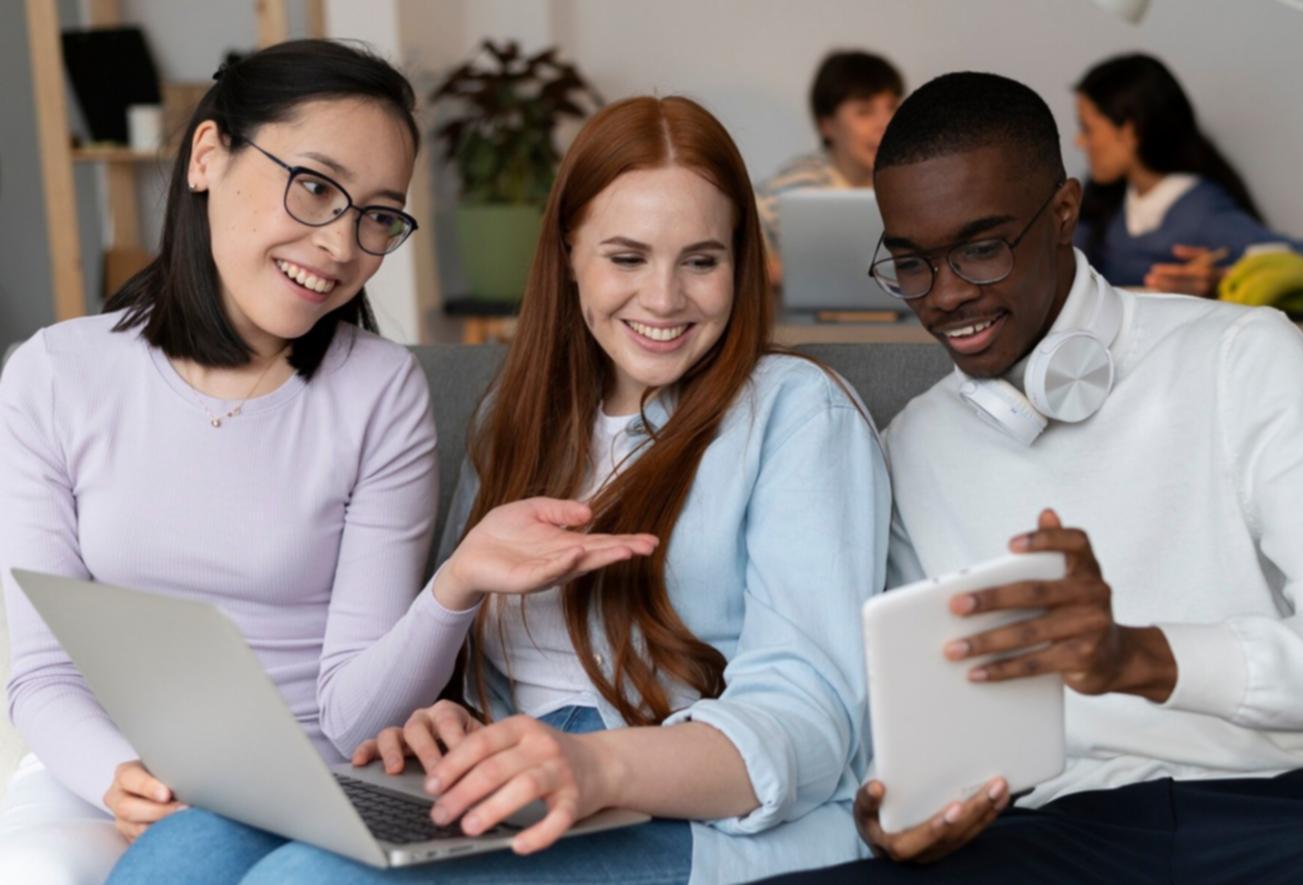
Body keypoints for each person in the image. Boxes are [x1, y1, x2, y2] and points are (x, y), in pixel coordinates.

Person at [108, 95, 890, 885]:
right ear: (567, 253)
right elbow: (478, 672)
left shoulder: (795, 411)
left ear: (739, 262)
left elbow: (811, 718)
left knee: (305, 881)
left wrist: (595, 765)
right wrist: (446, 720)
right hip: (514, 776)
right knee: (178, 855)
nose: (663, 298)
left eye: (701, 260)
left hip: (694, 816)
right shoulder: (518, 415)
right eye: (625, 257)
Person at [771, 71, 1303, 882]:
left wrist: (1140, 657)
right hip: (1044, 835)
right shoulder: (913, 442)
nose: (947, 295)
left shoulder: (1241, 354)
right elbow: (916, 732)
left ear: (1064, 213)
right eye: (912, 262)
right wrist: (896, 808)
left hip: (1292, 807)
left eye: (982, 248)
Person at [0, 40, 654, 885]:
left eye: (377, 215)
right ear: (207, 156)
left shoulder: (379, 391)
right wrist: (121, 780)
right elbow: (43, 670)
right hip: (108, 777)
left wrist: (455, 583)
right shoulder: (55, 374)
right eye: (314, 187)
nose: (342, 244)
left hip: (311, 790)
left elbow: (355, 716)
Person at [1073, 53, 1303, 298]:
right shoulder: (1107, 204)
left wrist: (1225, 277)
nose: (1080, 143)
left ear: (1129, 131)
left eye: (1088, 129)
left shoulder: (1199, 215)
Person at [755, 50, 904, 284]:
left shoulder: (912, 185)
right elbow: (740, 243)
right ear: (827, 125)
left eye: (892, 107)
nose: (885, 124)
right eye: (864, 112)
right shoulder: (795, 185)